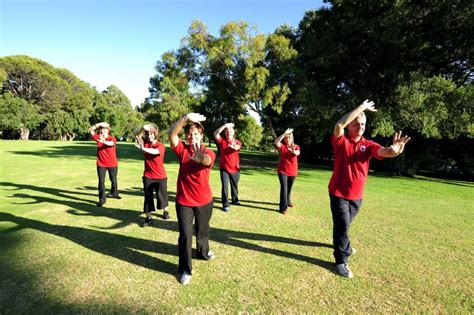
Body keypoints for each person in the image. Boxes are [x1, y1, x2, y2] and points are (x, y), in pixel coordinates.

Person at [329, 99, 410, 278]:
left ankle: (342, 243)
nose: (361, 127)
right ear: (350, 127)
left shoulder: (368, 145)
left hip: (357, 195)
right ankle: (341, 261)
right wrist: (362, 107)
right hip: (338, 192)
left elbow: (383, 151)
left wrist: (394, 151)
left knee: (344, 225)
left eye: (363, 124)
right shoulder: (341, 141)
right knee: (342, 226)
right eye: (357, 124)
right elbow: (339, 124)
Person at [168, 113, 216, 286]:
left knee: (202, 231)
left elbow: (207, 160)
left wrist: (199, 156)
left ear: (201, 136)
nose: (192, 136)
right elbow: (172, 134)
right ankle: (185, 269)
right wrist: (185, 118)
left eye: (195, 134)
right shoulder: (182, 151)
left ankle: (203, 252)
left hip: (204, 201)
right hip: (184, 201)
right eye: (189, 133)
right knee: (185, 235)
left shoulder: (207, 152)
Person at [135, 124, 170, 226]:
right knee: (148, 197)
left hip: (160, 176)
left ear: (155, 134)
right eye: (148, 134)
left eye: (151, 134)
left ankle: (165, 211)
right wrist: (143, 128)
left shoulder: (161, 145)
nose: (149, 136)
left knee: (162, 196)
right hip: (148, 176)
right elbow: (136, 134)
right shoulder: (145, 143)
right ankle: (148, 218)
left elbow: (155, 152)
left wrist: (143, 149)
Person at [89, 122, 121, 207]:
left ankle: (114, 193)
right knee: (101, 181)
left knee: (113, 179)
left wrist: (103, 141)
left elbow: (111, 144)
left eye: (105, 130)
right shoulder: (97, 137)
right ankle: (102, 200)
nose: (103, 131)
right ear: (100, 130)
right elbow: (90, 130)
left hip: (112, 163)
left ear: (108, 131)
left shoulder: (112, 139)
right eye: (102, 130)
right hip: (101, 163)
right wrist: (98, 124)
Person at [213, 122, 242, 212]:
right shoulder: (222, 141)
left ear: (233, 132)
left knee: (234, 185)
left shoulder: (237, 142)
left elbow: (237, 147)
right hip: (224, 169)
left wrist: (234, 147)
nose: (228, 133)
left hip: (235, 169)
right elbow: (215, 134)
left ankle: (235, 199)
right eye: (227, 131)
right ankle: (226, 204)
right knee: (225, 186)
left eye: (230, 131)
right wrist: (225, 126)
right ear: (225, 133)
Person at [274, 128, 300, 215]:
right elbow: (276, 142)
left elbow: (297, 153)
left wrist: (293, 150)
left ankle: (288, 201)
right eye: (286, 138)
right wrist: (284, 133)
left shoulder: (296, 146)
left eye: (289, 138)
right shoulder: (283, 147)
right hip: (282, 171)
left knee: (289, 188)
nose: (287, 139)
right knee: (284, 188)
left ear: (292, 138)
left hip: (293, 171)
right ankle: (283, 208)